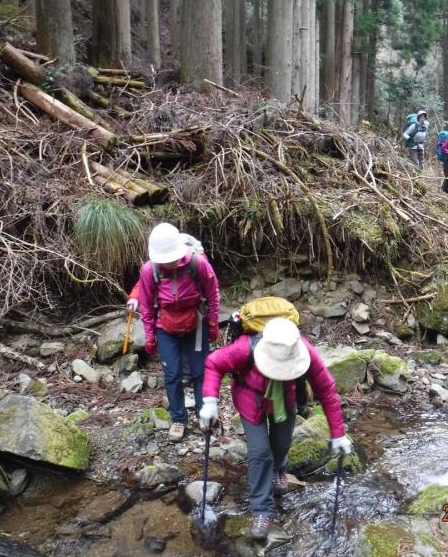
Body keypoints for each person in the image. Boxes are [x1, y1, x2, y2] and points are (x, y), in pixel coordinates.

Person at [199, 318, 352, 539]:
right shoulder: (245, 347)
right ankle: (261, 509)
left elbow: (327, 390)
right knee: (260, 452)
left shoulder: (305, 351)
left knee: (281, 444)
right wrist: (210, 402)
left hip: (285, 399)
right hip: (250, 400)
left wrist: (338, 434)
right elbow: (214, 363)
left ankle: (278, 470)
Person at [137, 223, 220, 442]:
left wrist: (213, 322)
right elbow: (146, 305)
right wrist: (149, 335)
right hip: (165, 325)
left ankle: (204, 414)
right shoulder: (150, 270)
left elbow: (213, 293)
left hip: (196, 322)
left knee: (200, 371)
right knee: (172, 375)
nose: (169, 263)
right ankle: (178, 419)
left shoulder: (197, 263)